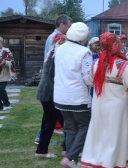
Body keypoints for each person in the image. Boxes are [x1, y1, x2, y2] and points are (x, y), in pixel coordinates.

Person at [81, 32, 128, 168]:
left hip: (100, 104)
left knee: (100, 134)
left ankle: (97, 161)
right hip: (117, 107)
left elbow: (90, 81)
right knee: (115, 136)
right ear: (117, 44)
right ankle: (112, 162)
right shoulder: (123, 65)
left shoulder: (96, 63)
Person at [54, 22, 93, 167]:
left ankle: (71, 160)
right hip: (77, 97)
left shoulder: (60, 48)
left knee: (70, 127)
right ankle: (70, 157)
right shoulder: (84, 52)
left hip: (61, 96)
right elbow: (87, 78)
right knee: (85, 125)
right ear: (83, 37)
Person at [35, 15, 72, 158]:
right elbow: (54, 66)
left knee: (50, 121)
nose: (69, 29)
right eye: (69, 26)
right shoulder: (57, 40)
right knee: (64, 120)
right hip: (51, 89)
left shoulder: (56, 38)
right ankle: (68, 150)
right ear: (62, 25)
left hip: (49, 89)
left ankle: (43, 150)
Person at [0, 36, 16, 111]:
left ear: (1, 43)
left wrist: (5, 63)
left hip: (3, 74)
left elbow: (12, 62)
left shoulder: (6, 51)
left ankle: (7, 103)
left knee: (1, 89)